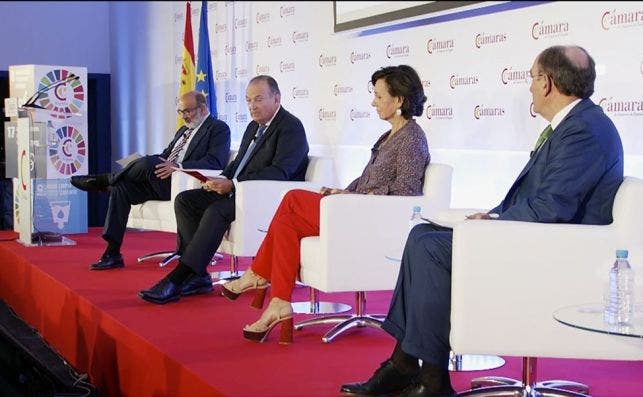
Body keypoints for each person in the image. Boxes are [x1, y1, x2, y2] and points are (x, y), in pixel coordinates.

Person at [340, 45, 624, 397]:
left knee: (430, 248)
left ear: (547, 82)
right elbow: (543, 202)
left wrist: (492, 223)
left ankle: (423, 375)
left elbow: (551, 207)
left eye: (533, 79)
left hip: (553, 253)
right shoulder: (576, 124)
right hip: (536, 238)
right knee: (424, 235)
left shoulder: (584, 130)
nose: (530, 88)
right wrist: (491, 217)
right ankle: (412, 368)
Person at [221, 65, 431, 344]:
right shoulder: (388, 135)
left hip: (371, 218)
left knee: (294, 197)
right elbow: (368, 178)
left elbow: (406, 190)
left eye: (379, 97)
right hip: (353, 209)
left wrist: (357, 197)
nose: (373, 102)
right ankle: (279, 303)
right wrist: (344, 190)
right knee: (287, 223)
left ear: (400, 100)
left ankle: (258, 273)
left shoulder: (412, 139)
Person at [138, 75, 310, 305]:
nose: (252, 106)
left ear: (276, 98)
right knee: (186, 201)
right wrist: (220, 179)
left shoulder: (291, 127)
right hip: (239, 191)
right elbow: (239, 163)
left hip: (264, 197)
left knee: (216, 210)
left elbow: (280, 173)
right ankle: (198, 276)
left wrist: (234, 184)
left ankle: (179, 277)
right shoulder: (253, 127)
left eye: (258, 99)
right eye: (248, 100)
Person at [71, 91, 231, 270]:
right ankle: (112, 252)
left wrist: (177, 166)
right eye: (181, 112)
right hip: (161, 180)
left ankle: (106, 180)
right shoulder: (183, 131)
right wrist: (154, 162)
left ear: (202, 108)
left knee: (148, 162)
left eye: (188, 111)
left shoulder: (218, 128)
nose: (184, 116)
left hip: (183, 184)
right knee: (122, 188)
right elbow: (165, 156)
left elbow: (214, 161)